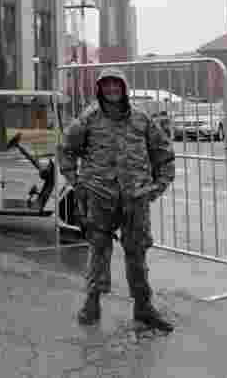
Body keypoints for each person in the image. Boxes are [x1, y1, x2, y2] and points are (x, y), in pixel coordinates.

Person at [59, 67, 175, 331]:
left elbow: (163, 154)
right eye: (106, 85)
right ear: (100, 89)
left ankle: (143, 307)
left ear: (124, 88)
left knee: (137, 253)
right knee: (98, 251)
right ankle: (92, 301)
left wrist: (158, 186)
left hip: (135, 200)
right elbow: (66, 150)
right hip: (100, 199)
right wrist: (78, 183)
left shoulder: (142, 119)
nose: (112, 89)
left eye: (116, 85)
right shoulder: (88, 119)